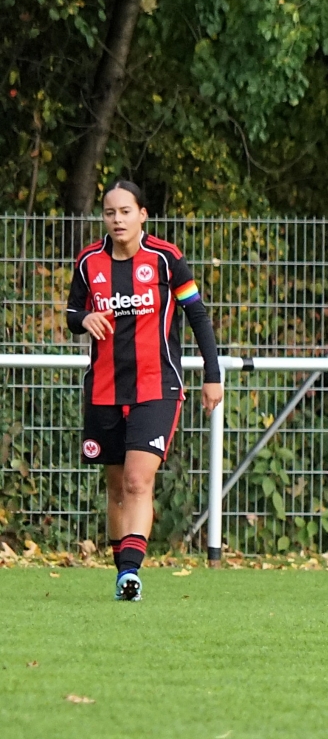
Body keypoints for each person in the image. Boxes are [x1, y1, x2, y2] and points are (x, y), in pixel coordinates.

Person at [65, 180, 223, 601]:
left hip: (157, 386)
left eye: (125, 211)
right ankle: (124, 576)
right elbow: (72, 312)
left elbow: (198, 315)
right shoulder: (89, 262)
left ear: (142, 215)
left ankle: (132, 573)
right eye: (110, 212)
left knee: (138, 481)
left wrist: (213, 374)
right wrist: (84, 320)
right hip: (104, 389)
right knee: (117, 486)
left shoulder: (166, 259)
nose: (117, 220)